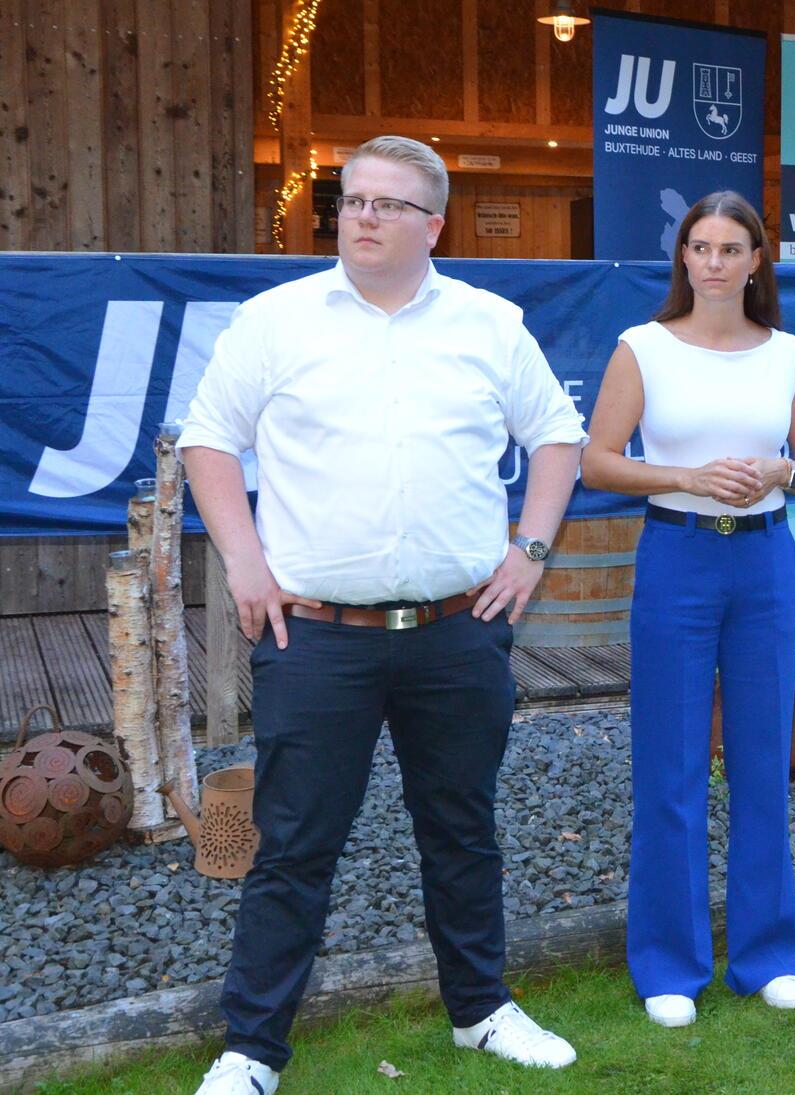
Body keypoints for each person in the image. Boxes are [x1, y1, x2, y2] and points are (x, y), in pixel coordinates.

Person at [179, 136, 584, 1095]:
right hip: (315, 636)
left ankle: (481, 1011)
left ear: (433, 223)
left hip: (455, 632)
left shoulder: (490, 324)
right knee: (294, 844)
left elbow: (557, 437)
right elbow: (209, 442)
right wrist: (244, 560)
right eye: (352, 198)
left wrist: (529, 552)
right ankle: (252, 1051)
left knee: (462, 826)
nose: (362, 215)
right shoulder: (276, 321)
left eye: (388, 204)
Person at [580, 191, 795, 1029]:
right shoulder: (643, 348)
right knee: (672, 760)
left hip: (764, 558)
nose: (716, 262)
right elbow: (600, 462)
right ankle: (669, 964)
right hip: (678, 553)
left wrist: (780, 471)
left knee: (764, 757)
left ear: (758, 261)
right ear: (682, 259)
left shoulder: (786, 351)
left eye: (732, 248)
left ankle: (766, 956)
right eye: (701, 246)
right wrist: (685, 476)